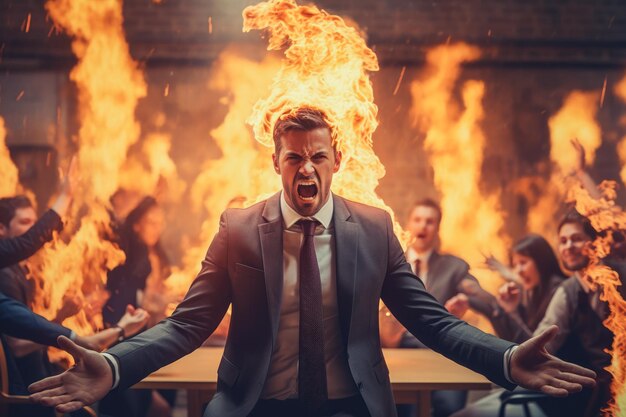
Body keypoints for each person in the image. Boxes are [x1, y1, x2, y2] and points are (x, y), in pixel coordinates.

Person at [30, 107, 595, 417]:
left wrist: (506, 359)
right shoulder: (238, 228)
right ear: (276, 162)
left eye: (317, 157)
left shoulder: (374, 228)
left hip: (352, 405)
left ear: (336, 161)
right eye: (294, 158)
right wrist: (118, 366)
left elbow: (433, 320)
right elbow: (187, 324)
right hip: (253, 405)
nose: (307, 169)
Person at [0, 195, 150, 417]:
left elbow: (42, 331)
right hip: (35, 398)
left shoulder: (26, 273)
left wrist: (80, 313)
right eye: (25, 223)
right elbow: (20, 345)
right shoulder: (5, 276)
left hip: (49, 385)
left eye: (35, 221)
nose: (35, 230)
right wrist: (118, 330)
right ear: (2, 230)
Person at [379, 199, 499, 417]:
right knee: (403, 410)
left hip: (444, 351)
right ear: (408, 224)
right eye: (418, 220)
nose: (423, 226)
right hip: (399, 354)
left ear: (437, 228)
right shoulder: (387, 262)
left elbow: (485, 302)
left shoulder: (453, 267)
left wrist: (468, 299)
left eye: (430, 221)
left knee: (450, 408)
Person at [452, 234, 567, 417]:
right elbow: (511, 338)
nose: (518, 271)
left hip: (548, 396)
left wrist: (511, 311)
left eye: (523, 263)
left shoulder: (558, 291)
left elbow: (536, 349)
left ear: (541, 261)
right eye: (515, 265)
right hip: (533, 387)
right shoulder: (534, 291)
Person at [101, 196, 176, 417]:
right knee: (154, 408)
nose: (157, 228)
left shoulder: (158, 254)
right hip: (130, 339)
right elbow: (131, 303)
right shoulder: (131, 258)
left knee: (164, 402)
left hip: (156, 336)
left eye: (160, 222)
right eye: (151, 222)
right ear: (136, 224)